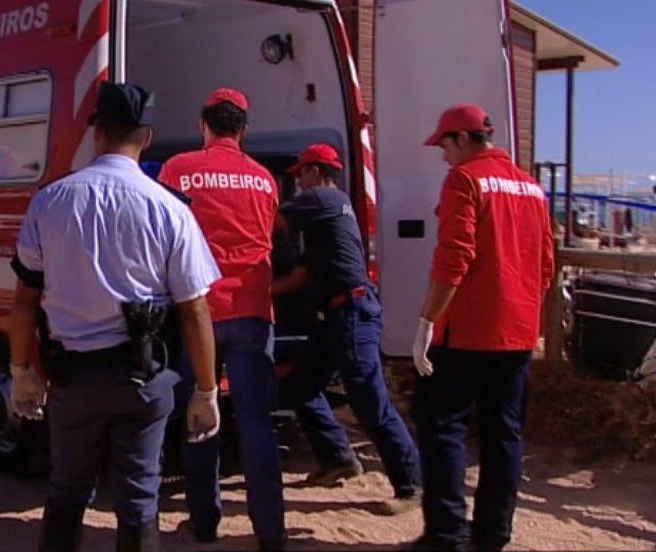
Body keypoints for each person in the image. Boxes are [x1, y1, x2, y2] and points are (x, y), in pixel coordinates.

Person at [7, 80, 223, 552]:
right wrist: (206, 391)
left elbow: (25, 299)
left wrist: (21, 370)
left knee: (66, 493)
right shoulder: (170, 209)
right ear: (146, 136)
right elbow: (195, 310)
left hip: (72, 381)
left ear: (96, 132)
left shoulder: (49, 201)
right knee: (138, 500)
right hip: (141, 382)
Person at [409, 104, 555, 552]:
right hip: (516, 332)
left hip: (467, 330)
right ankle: (493, 535)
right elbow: (546, 264)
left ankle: (447, 535)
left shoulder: (465, 180)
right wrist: (530, 318)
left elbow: (454, 256)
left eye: (444, 145)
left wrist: (427, 321)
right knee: (504, 433)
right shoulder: (532, 187)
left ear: (462, 139)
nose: (442, 156)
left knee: (442, 427)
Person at [156, 88, 287, 551]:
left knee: (201, 417)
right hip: (254, 311)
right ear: (244, 130)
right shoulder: (265, 179)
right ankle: (271, 533)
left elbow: (164, 234)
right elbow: (269, 234)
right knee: (256, 424)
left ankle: (205, 523)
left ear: (203, 125)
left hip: (200, 314)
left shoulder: (178, 169)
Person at [272, 143, 422, 516]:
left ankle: (411, 485)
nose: (299, 184)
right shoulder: (327, 215)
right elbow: (301, 276)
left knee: (370, 401)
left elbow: (269, 220)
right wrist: (257, 292)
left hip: (352, 312)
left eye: (301, 175)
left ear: (317, 171)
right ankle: (339, 458)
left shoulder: (323, 198)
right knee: (299, 386)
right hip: (338, 316)